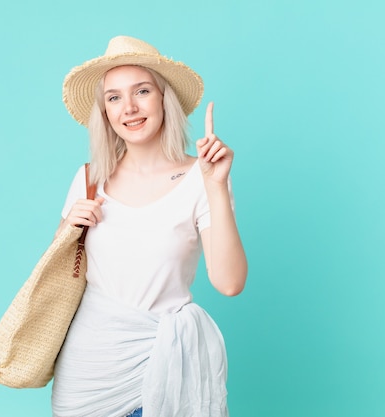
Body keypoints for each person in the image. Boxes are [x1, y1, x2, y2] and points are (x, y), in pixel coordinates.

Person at [51, 35, 247, 417]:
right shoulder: (90, 179)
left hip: (161, 373)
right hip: (86, 378)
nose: (129, 108)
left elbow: (229, 282)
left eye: (142, 91)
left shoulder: (202, 179)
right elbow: (55, 278)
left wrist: (217, 186)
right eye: (114, 97)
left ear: (163, 98)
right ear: (104, 111)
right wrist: (67, 231)